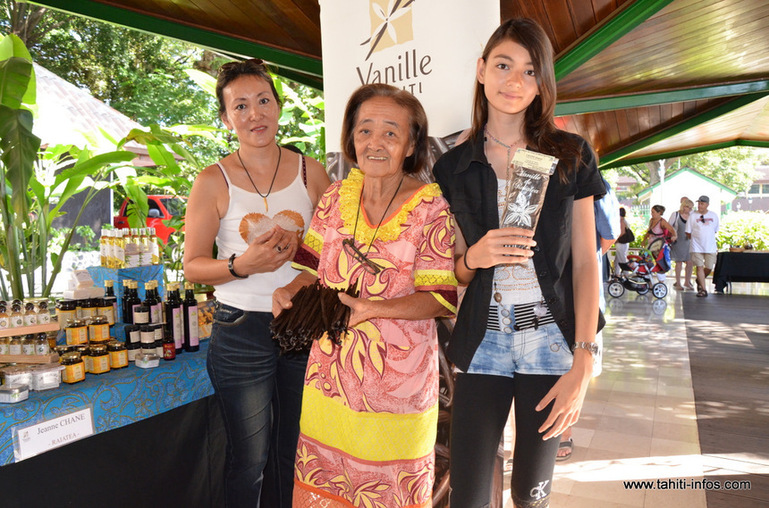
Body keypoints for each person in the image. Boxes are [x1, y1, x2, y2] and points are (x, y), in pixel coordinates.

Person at [432, 18, 605, 507]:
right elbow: (452, 271)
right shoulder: (452, 166)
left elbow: (586, 264)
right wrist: (474, 255)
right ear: (482, 69)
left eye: (530, 71)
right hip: (482, 340)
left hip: (552, 343)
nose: (514, 81)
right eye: (504, 65)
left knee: (531, 495)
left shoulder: (570, 155)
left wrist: (583, 359)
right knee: (467, 496)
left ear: (542, 83)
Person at [273, 83, 458, 507]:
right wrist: (288, 291)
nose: (376, 143)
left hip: (397, 390)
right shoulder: (335, 199)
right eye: (364, 131)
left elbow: (441, 298)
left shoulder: (431, 209)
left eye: (391, 133)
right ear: (351, 139)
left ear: (411, 144)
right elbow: (308, 271)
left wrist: (373, 309)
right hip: (329, 382)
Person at [183, 58, 331, 508]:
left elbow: (335, 253)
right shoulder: (213, 180)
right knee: (249, 459)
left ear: (279, 106)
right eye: (241, 106)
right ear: (227, 118)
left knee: (296, 452)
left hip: (303, 324)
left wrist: (300, 251)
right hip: (240, 329)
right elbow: (192, 266)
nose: (255, 114)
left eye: (263, 100)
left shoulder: (312, 172)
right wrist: (242, 265)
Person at [686, 195, 720, 297]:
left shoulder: (713, 215)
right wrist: (695, 238)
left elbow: (715, 230)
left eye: (702, 204)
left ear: (707, 205)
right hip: (696, 246)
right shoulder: (692, 216)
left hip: (710, 246)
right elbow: (688, 232)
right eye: (699, 203)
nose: (700, 205)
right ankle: (703, 289)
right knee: (699, 267)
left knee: (709, 267)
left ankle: (699, 280)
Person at [669, 198, 694, 290]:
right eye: (689, 208)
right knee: (678, 262)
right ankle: (678, 283)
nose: (691, 210)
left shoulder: (692, 215)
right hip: (678, 241)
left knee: (690, 262)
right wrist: (673, 234)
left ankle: (687, 282)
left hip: (689, 241)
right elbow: (669, 226)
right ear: (684, 207)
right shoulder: (675, 215)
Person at [614, 207, 632, 277]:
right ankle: (617, 274)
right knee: (618, 259)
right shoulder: (625, 221)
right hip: (624, 243)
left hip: (620, 243)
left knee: (622, 259)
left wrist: (615, 239)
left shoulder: (621, 221)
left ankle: (626, 274)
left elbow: (621, 233)